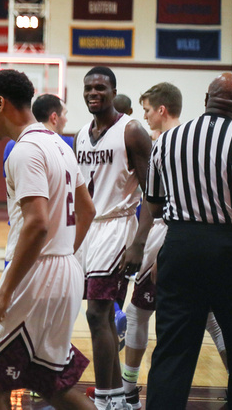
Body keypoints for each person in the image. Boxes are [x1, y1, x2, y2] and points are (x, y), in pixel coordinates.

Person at [0, 69, 96, 410]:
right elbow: (87, 211)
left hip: (36, 276)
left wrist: (5, 292)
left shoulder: (24, 150)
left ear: (0, 103)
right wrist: (63, 254)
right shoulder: (60, 143)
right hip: (66, 272)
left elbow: (37, 224)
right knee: (50, 382)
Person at [144, 73, 232, 410]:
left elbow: (155, 202)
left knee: (173, 347)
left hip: (181, 245)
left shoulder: (168, 140)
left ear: (206, 98)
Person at [120, 82, 228, 409]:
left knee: (139, 311)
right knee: (210, 316)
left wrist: (156, 251)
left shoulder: (166, 145)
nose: (145, 116)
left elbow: (167, 205)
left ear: (162, 110)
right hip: (192, 237)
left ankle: (128, 389)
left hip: (168, 235)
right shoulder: (194, 142)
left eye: (148, 110)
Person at [75, 66, 153, 410]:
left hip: (118, 226)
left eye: (101, 88)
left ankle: (107, 398)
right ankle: (120, 398)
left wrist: (138, 242)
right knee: (102, 316)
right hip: (88, 228)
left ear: (113, 90)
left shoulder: (132, 130)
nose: (94, 93)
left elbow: (154, 191)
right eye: (89, 87)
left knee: (98, 313)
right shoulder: (80, 134)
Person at [3, 94, 72, 176]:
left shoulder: (12, 145)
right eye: (64, 114)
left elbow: (10, 185)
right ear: (54, 117)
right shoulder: (69, 144)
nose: (66, 120)